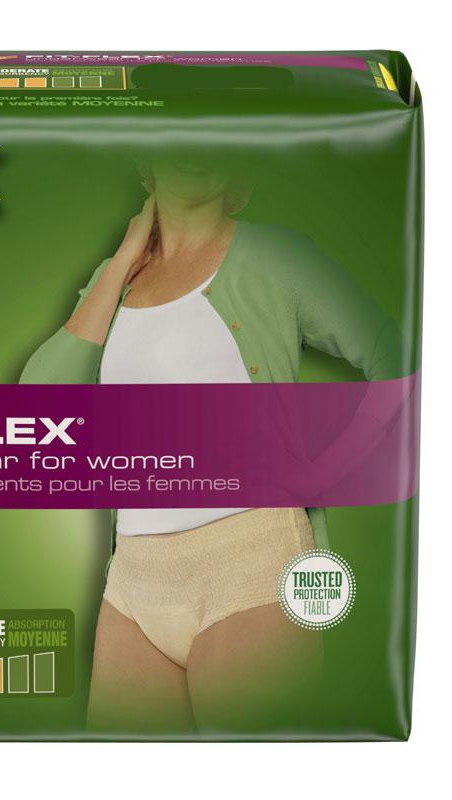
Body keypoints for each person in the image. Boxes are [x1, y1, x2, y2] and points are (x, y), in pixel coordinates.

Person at [20, 158, 402, 734]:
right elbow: (38, 401)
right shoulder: (115, 276)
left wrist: (329, 471)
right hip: (134, 582)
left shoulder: (276, 257)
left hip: (251, 567)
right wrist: (123, 259)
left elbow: (393, 351)